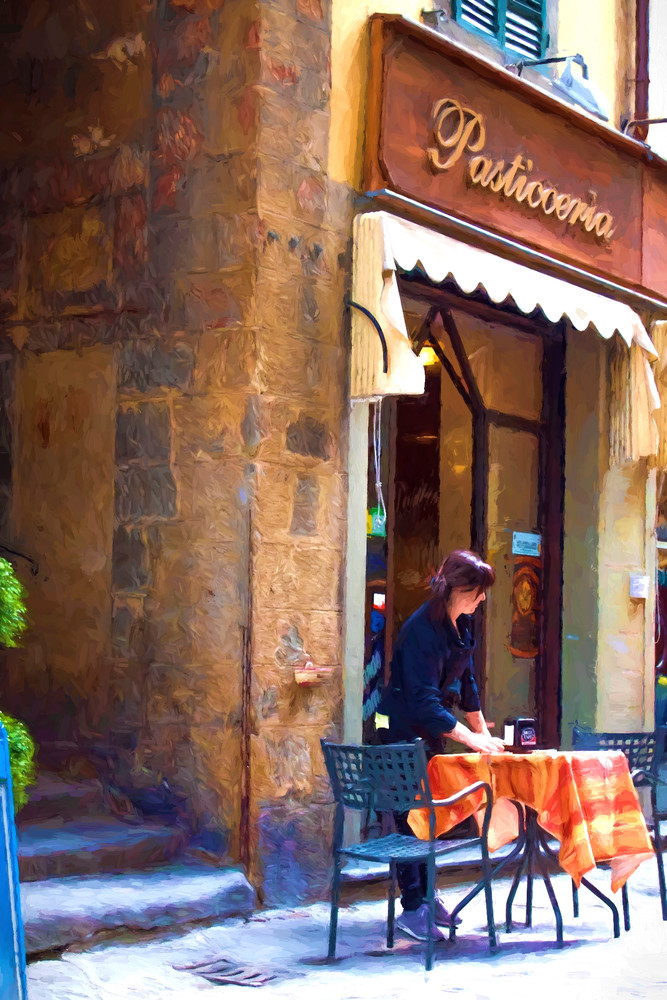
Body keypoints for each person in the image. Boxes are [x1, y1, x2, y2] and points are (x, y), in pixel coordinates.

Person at [379, 549, 505, 942]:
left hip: (427, 739)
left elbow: (467, 688)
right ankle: (412, 908)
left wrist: (482, 736)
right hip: (397, 734)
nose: (482, 599)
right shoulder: (422, 631)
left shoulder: (461, 626)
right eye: (478, 592)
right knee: (409, 823)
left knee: (427, 822)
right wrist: (470, 740)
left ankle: (428, 900)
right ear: (459, 588)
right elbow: (423, 702)